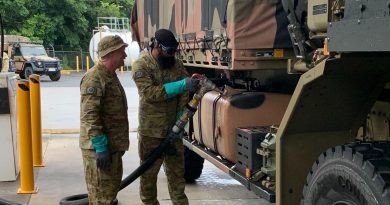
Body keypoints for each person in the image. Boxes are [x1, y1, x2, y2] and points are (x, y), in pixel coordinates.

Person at [131, 29, 199, 205]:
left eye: (174, 52)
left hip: (174, 130)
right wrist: (182, 84)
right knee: (148, 176)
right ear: (157, 47)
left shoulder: (176, 64)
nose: (171, 55)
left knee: (177, 176)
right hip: (151, 132)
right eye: (169, 51)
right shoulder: (141, 65)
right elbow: (149, 93)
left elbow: (185, 93)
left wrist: (179, 119)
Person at [79, 35, 129, 205]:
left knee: (109, 195)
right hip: (98, 151)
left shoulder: (109, 75)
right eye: (122, 51)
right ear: (112, 52)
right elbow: (90, 116)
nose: (125, 55)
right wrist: (100, 147)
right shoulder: (94, 77)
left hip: (112, 149)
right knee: (102, 198)